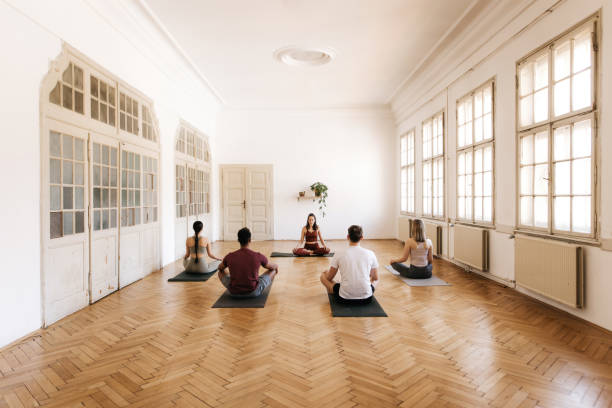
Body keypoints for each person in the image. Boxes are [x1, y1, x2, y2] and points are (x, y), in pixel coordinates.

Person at [320, 225, 379, 304]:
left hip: (344, 299)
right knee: (376, 278)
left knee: (323, 275)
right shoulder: (371, 253)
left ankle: (332, 291)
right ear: (362, 238)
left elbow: (329, 277)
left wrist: (328, 276)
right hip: (367, 299)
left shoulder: (339, 253)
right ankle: (364, 289)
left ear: (347, 237)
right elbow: (375, 277)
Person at [217, 227, 279, 297]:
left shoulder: (229, 256)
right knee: (273, 270)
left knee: (220, 272)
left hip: (234, 293)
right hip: (253, 292)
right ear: (250, 240)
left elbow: (220, 268)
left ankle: (236, 284)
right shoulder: (257, 256)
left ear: (238, 240)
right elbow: (272, 267)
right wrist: (276, 266)